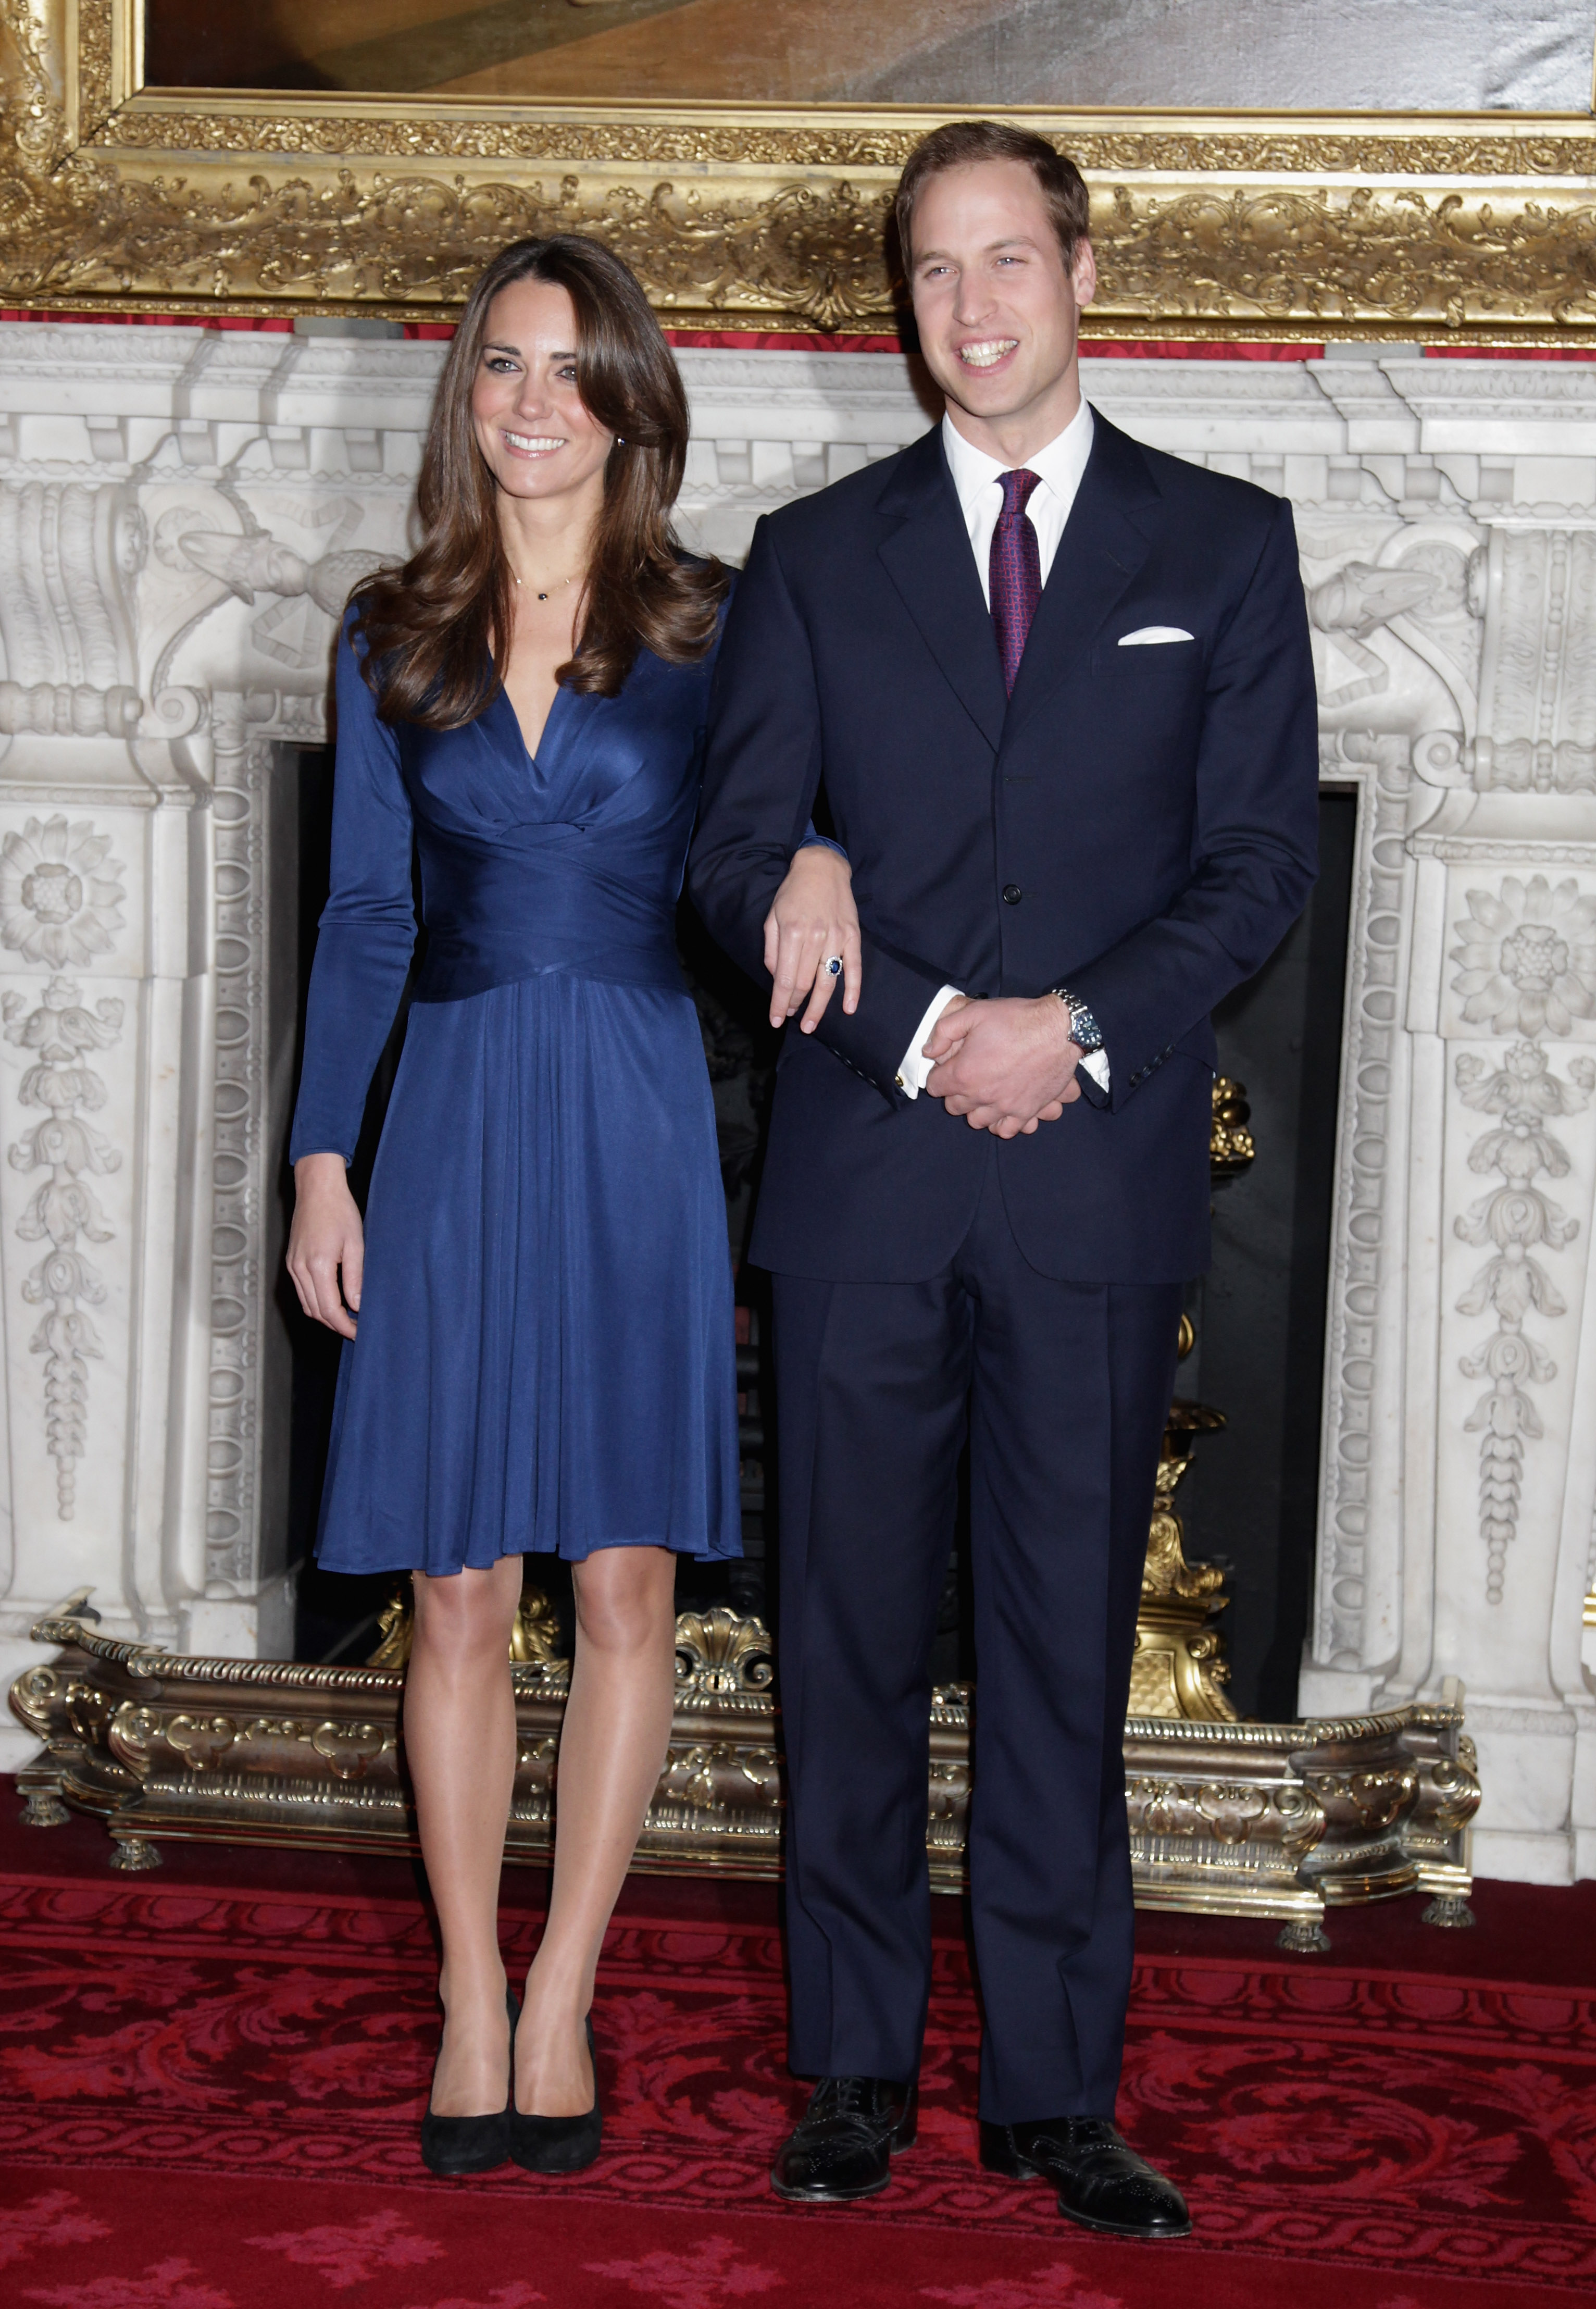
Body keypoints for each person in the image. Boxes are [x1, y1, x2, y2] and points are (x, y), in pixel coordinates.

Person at [689, 120, 1319, 2240]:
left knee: (1061, 1652)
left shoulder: (1223, 545)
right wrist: (921, 1017)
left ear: (1078, 272)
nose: (970, 306)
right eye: (933, 270)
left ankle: (1057, 2091)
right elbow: (732, 853)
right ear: (906, 301)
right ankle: (852, 2068)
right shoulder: (809, 555)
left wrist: (1078, 1029)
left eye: (1006, 260)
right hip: (865, 1179)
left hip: (1094, 1181)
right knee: (845, 1641)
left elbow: (1261, 861)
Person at [284, 233, 857, 2181]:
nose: (535, 404)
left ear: (630, 403)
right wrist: (322, 1161)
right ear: (470, 391)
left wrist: (829, 858)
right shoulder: (390, 630)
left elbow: (795, 815)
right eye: (505, 365)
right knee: (454, 1582)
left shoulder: (717, 621)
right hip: (447, 1115)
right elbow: (367, 913)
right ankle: (468, 1988)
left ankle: (565, 1993)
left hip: (631, 1112)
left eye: (572, 369)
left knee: (623, 1585)